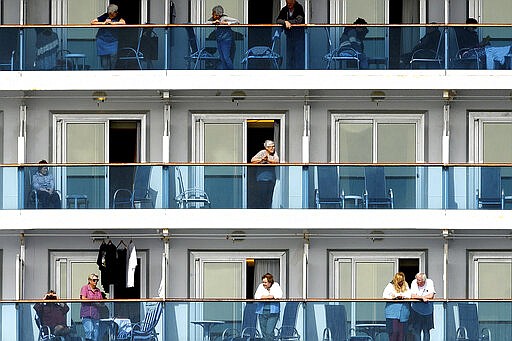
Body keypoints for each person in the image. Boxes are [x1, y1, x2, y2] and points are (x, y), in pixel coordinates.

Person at [91, 4, 126, 70]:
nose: (111, 15)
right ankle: (105, 73)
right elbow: (93, 22)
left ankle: (112, 72)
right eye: (110, 13)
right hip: (102, 40)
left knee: (113, 56)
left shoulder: (118, 17)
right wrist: (103, 23)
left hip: (113, 41)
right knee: (104, 61)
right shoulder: (105, 16)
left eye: (112, 13)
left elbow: (123, 23)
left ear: (115, 12)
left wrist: (112, 23)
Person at [206, 5, 239, 70]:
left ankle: (231, 71)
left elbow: (236, 21)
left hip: (226, 40)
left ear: (218, 14)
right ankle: (225, 71)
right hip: (219, 40)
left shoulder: (224, 18)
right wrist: (213, 22)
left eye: (214, 14)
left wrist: (226, 23)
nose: (213, 15)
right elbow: (206, 23)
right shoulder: (214, 19)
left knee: (226, 57)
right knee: (222, 58)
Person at [383, 272, 411, 341]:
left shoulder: (405, 285)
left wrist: (403, 297)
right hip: (392, 313)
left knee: (402, 333)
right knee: (394, 332)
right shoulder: (390, 285)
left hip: (403, 313)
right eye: (399, 281)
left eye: (402, 281)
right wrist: (394, 297)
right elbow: (384, 296)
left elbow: (409, 295)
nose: (400, 283)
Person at [276, 0, 305, 69]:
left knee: (299, 57)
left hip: (299, 37)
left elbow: (299, 21)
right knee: (289, 56)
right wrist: (285, 22)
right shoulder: (284, 9)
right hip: (289, 37)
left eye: (290, 4)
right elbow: (278, 20)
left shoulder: (299, 8)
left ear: (294, 1)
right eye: (287, 3)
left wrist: (288, 22)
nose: (289, 5)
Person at [251, 140, 279, 208]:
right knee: (262, 197)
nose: (272, 148)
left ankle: (268, 209)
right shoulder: (262, 152)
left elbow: (277, 162)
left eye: (273, 146)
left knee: (269, 197)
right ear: (266, 147)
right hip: (261, 179)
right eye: (270, 147)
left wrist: (267, 160)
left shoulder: (274, 153)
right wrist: (261, 160)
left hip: (271, 179)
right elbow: (252, 161)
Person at [254, 273, 283, 341]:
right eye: (263, 282)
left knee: (269, 332)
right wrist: (269, 297)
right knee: (264, 333)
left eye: (265, 282)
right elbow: (257, 296)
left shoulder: (276, 285)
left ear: (270, 282)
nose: (264, 283)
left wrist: (264, 297)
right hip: (262, 312)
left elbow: (278, 295)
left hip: (273, 312)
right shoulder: (261, 286)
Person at [410, 273, 436, 341]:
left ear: (424, 280)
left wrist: (419, 297)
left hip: (428, 311)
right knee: (416, 331)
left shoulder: (429, 282)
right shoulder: (414, 282)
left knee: (426, 331)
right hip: (416, 310)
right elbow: (413, 296)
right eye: (417, 280)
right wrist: (423, 298)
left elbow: (431, 296)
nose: (417, 282)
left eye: (419, 280)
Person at [80, 273, 104, 341]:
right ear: (89, 280)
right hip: (86, 314)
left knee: (96, 333)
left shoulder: (98, 290)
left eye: (97, 280)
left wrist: (98, 303)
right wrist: (93, 301)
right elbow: (83, 298)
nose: (95, 282)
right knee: (89, 331)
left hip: (96, 314)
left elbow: (101, 301)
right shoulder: (85, 288)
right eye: (94, 280)